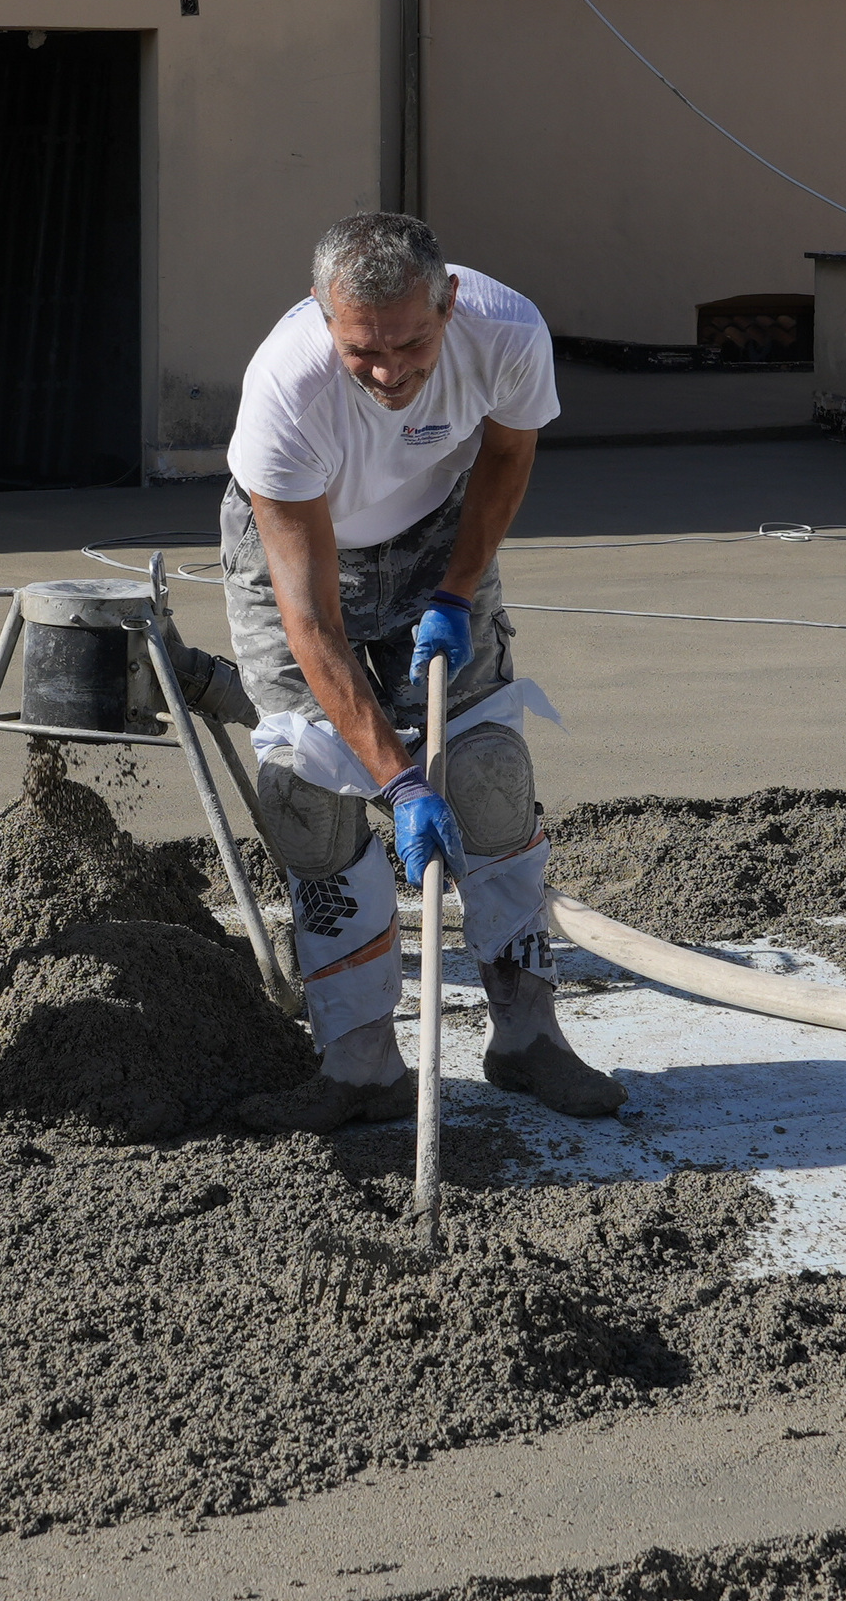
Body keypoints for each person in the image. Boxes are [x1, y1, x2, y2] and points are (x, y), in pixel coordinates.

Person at [221, 212, 624, 1133]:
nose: (387, 371)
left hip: (438, 523)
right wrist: (398, 781)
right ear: (321, 314)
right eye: (361, 349)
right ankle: (360, 1064)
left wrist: (454, 590)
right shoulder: (285, 389)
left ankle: (527, 1040)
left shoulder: (506, 330)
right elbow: (310, 622)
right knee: (309, 794)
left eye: (409, 344)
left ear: (448, 303)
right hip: (301, 537)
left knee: (486, 773)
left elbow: (507, 455)